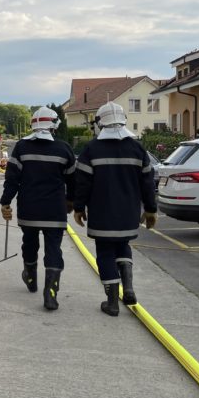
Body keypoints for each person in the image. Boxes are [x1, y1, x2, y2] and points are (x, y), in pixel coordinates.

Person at [73, 101, 157, 317]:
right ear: (123, 121)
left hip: (102, 213)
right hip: (129, 213)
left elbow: (82, 183)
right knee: (123, 245)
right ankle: (128, 288)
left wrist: (78, 207)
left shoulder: (92, 149)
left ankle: (112, 302)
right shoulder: (137, 148)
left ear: (100, 123)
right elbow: (148, 183)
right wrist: (150, 209)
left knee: (105, 251)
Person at [0, 106, 76, 310]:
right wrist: (71, 201)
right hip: (55, 210)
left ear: (34, 126)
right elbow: (74, 180)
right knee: (54, 249)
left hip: (29, 209)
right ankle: (50, 294)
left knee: (30, 243)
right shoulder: (64, 149)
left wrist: (5, 202)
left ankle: (31, 278)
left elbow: (12, 179)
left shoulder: (21, 148)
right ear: (54, 127)